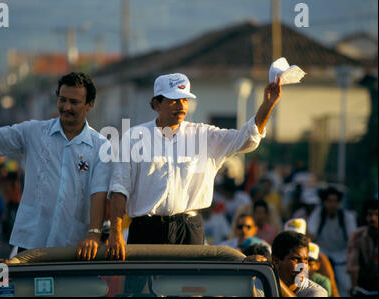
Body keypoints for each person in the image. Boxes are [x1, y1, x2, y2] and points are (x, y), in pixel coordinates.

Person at [108, 73, 281, 260]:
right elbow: (119, 188)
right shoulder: (134, 137)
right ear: (156, 105)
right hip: (146, 230)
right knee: (141, 288)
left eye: (184, 100)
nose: (181, 105)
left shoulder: (204, 135)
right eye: (173, 100)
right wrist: (115, 232)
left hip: (189, 229)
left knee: (187, 288)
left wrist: (268, 104)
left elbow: (246, 139)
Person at [0, 65, 111, 260]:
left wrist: (93, 234)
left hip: (73, 248)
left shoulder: (101, 146)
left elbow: (98, 194)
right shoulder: (34, 131)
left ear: (90, 104)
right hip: (31, 246)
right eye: (62, 100)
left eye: (74, 102)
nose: (66, 107)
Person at [307, 187, 357, 296]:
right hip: (322, 255)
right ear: (324, 202)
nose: (332, 205)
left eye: (335, 201)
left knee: (345, 287)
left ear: (339, 203)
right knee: (322, 285)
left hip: (342, 257)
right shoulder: (318, 214)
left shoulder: (346, 217)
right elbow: (311, 234)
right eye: (329, 201)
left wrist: (351, 260)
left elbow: (353, 239)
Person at [272, 231, 328, 297]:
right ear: (276, 261)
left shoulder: (316, 292)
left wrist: (276, 282)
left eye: (305, 259)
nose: (303, 266)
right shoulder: (260, 286)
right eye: (296, 259)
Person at [346, 199, 378, 296]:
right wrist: (354, 286)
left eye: (377, 214)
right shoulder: (357, 235)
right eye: (369, 214)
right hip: (363, 283)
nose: (373, 218)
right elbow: (353, 263)